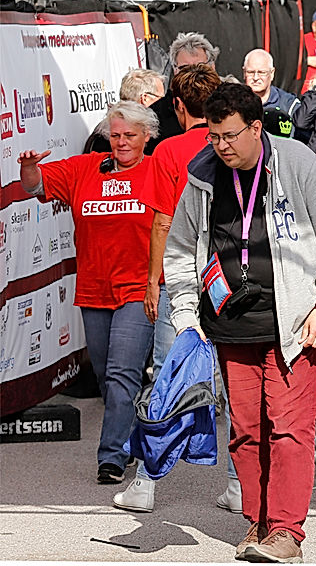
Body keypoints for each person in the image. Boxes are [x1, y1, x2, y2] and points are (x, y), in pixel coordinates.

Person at [165, 82, 316, 562]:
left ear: (256, 127)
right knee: (246, 431)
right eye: (213, 136)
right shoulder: (203, 176)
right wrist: (186, 317)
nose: (221, 146)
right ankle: (258, 521)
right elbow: (181, 251)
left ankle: (287, 531)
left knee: (289, 428)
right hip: (230, 323)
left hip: (293, 323)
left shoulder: (296, 162)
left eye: (230, 135)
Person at [18, 102, 159, 485]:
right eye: (115, 135)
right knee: (106, 374)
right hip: (94, 289)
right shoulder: (86, 169)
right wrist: (29, 167)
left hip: (137, 289)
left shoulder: (159, 171)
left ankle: (110, 458)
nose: (122, 142)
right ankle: (130, 438)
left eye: (130, 135)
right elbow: (36, 185)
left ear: (147, 136)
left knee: (121, 371)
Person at [116, 64, 234, 513]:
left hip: (183, 277)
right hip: (230, 277)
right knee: (235, 382)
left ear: (180, 107)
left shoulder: (168, 151)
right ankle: (239, 483)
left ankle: (146, 483)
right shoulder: (235, 143)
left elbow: (162, 221)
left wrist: (153, 280)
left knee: (167, 376)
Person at [152, 32, 221, 142]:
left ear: (212, 66)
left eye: (200, 66)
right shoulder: (156, 114)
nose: (193, 72)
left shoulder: (229, 102)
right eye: (185, 68)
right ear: (175, 70)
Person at [82, 68, 165, 154]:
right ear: (145, 98)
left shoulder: (105, 127)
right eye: (160, 97)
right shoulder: (106, 132)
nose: (121, 142)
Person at [242, 49, 300, 118]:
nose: (255, 78)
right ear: (244, 73)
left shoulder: (288, 104)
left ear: (272, 73)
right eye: (250, 72)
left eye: (261, 72)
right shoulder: (234, 102)